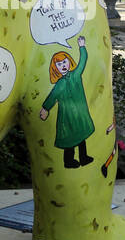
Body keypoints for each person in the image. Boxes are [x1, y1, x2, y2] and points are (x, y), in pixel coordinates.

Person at [39, 35, 96, 168]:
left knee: (81, 136)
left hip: (80, 113)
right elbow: (52, 97)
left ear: (69, 62)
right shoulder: (60, 84)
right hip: (67, 116)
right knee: (69, 139)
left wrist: (82, 47)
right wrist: (45, 108)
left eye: (64, 62)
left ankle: (83, 157)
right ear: (55, 68)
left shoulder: (75, 75)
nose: (63, 66)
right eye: (59, 64)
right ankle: (68, 161)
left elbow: (83, 61)